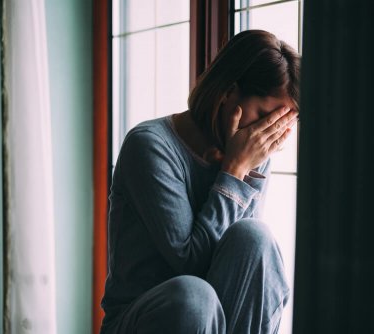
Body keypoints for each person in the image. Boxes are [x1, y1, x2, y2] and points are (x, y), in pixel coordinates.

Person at [100, 29, 301, 334]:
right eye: (265, 116)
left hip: (212, 313)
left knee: (254, 237)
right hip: (144, 317)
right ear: (228, 94)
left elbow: (243, 271)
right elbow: (190, 263)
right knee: (194, 298)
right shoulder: (150, 146)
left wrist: (243, 169)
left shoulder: (253, 152)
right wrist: (234, 171)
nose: (269, 134)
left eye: (282, 124)